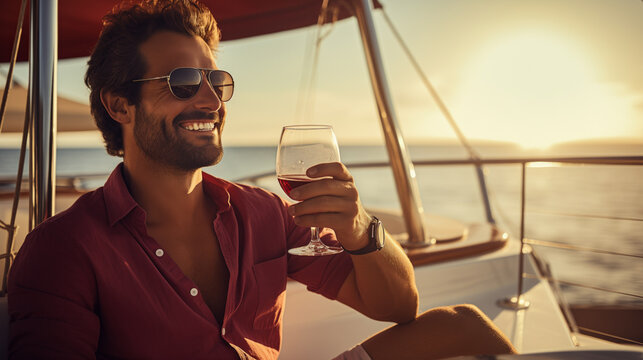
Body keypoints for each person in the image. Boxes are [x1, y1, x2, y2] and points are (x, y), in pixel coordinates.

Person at [7, 1, 517, 359]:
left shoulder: (264, 213)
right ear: (120, 104)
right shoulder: (64, 249)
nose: (209, 100)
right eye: (184, 82)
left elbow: (398, 306)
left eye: (216, 81)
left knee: (464, 326)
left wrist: (360, 229)